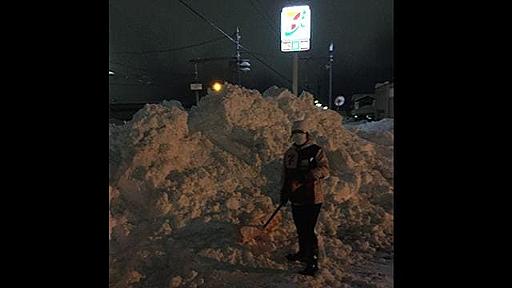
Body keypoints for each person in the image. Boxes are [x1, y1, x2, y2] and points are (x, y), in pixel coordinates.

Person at [280, 120, 330, 276]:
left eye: (300, 133)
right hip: (296, 198)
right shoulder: (290, 153)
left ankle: (313, 261)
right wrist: (283, 192)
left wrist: (308, 176)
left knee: (308, 229)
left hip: (312, 197)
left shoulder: (316, 151)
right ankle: (302, 253)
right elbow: (285, 175)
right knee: (300, 228)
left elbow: (325, 170)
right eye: (294, 133)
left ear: (307, 134)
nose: (297, 136)